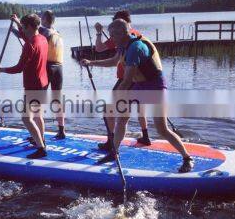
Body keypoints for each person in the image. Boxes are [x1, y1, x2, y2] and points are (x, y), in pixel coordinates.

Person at [82, 19, 194, 173]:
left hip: (154, 86)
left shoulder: (135, 47)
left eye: (113, 36)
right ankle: (114, 152)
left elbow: (127, 80)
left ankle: (187, 158)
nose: (111, 39)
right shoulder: (123, 46)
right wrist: (91, 63)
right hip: (138, 85)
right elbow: (115, 62)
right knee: (122, 119)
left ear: (122, 33)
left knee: (162, 129)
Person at [94, 10, 151, 149]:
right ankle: (145, 136)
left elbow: (99, 48)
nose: (113, 35)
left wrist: (99, 32)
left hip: (125, 78)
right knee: (139, 108)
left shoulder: (122, 37)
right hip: (141, 80)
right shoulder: (137, 35)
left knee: (110, 110)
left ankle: (111, 142)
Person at [0, 14, 48, 159]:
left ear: (30, 27)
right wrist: (18, 22)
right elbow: (27, 38)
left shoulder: (29, 45)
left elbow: (18, 68)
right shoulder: (42, 39)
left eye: (24, 27)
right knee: (37, 115)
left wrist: (1, 69)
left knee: (26, 118)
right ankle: (41, 139)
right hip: (43, 83)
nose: (22, 29)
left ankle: (41, 148)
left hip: (33, 86)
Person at [13, 10, 66, 139]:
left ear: (46, 20)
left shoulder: (43, 31)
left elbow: (26, 34)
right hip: (59, 68)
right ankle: (61, 129)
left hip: (48, 67)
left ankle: (38, 135)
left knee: (37, 103)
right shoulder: (57, 32)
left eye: (42, 18)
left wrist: (15, 24)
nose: (40, 20)